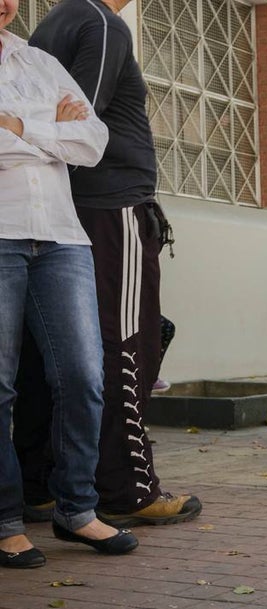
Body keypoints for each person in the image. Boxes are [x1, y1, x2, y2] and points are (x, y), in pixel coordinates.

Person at [21, 0, 200, 526]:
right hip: (111, 203)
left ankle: (38, 484)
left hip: (64, 207)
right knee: (125, 342)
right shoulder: (102, 22)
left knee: (46, 352)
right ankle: (126, 488)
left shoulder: (47, 25)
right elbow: (79, 113)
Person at [1, 0, 139, 567]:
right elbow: (66, 138)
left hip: (61, 235)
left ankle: (76, 509)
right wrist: (49, 127)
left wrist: (15, 126)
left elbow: (92, 142)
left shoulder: (37, 62)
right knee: (1, 388)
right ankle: (6, 519)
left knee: (84, 375)